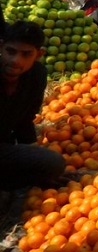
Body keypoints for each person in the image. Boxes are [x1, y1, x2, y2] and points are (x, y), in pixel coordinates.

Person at [0, 21, 66, 190]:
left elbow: (24, 121)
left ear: (38, 54)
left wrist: (31, 154)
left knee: (52, 163)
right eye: (10, 51)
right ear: (1, 47)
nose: (16, 61)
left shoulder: (36, 76)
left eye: (26, 54)